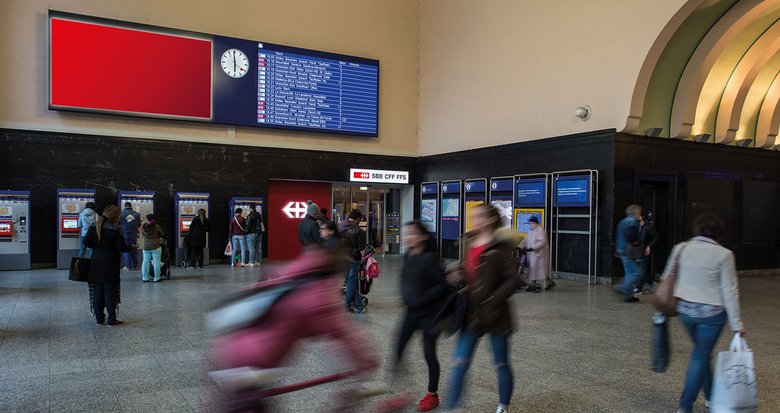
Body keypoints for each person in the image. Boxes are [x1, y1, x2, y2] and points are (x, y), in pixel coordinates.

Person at [210, 246, 379, 409]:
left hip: (233, 345)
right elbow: (343, 334)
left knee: (246, 402)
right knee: (244, 403)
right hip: (255, 359)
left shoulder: (292, 274)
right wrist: (367, 362)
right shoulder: (319, 297)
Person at [444, 204, 520, 413]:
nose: (474, 220)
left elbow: (514, 279)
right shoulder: (469, 242)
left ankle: (503, 406)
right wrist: (456, 274)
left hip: (496, 315)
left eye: (478, 216)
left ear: (489, 220)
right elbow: (465, 268)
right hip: (471, 313)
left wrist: (493, 299)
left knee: (500, 363)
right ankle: (452, 407)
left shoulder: (501, 247)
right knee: (459, 361)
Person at [670, 214, 746, 413]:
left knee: (702, 354)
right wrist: (737, 324)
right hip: (711, 316)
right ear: (719, 234)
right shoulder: (724, 254)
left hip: (685, 312)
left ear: (696, 230)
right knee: (700, 356)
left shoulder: (681, 248)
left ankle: (711, 397)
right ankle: (685, 406)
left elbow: (669, 276)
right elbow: (730, 290)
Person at [393, 220, 449, 412]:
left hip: (429, 314)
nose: (408, 237)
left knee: (429, 353)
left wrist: (421, 298)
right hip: (411, 312)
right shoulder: (408, 255)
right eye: (407, 233)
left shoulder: (429, 258)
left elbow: (441, 285)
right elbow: (405, 279)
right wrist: (406, 295)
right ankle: (401, 390)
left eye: (413, 234)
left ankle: (432, 394)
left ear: (424, 237)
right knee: (398, 347)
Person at [83, 205, 131, 326]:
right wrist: (130, 247)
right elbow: (122, 247)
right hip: (110, 263)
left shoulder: (94, 226)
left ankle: (99, 318)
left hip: (95, 262)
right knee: (110, 290)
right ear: (115, 216)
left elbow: (86, 242)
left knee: (98, 290)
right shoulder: (116, 228)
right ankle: (111, 319)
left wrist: (98, 248)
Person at [615, 204, 644, 303]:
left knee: (629, 273)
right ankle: (621, 287)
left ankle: (629, 296)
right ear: (636, 212)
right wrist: (637, 242)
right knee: (637, 273)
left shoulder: (622, 221)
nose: (640, 214)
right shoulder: (632, 221)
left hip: (621, 250)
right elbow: (631, 236)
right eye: (639, 212)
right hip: (629, 251)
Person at [339, 209, 366, 314]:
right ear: (358, 219)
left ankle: (359, 306)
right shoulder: (359, 231)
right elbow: (362, 247)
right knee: (352, 283)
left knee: (351, 283)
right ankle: (346, 305)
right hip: (354, 259)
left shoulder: (339, 227)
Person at [520, 215, 554, 292]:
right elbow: (525, 240)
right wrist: (519, 246)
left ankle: (533, 284)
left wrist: (533, 247)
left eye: (532, 223)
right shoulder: (531, 231)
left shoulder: (540, 231)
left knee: (537, 270)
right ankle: (549, 283)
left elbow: (542, 242)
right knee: (538, 271)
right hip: (533, 255)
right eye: (530, 223)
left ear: (536, 223)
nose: (531, 224)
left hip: (539, 255)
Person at [634, 212, 660, 294]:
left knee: (641, 269)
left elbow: (656, 237)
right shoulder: (639, 226)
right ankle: (651, 283)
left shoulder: (647, 226)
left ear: (641, 217)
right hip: (639, 250)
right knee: (642, 269)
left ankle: (638, 288)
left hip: (645, 251)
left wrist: (649, 246)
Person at [141, 214, 165, 282]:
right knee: (156, 262)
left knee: (145, 262)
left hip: (146, 247)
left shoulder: (143, 226)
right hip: (156, 247)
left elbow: (143, 234)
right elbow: (162, 234)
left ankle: (145, 278)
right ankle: (157, 278)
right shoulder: (156, 226)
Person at [120, 202, 142, 271]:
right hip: (133, 234)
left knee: (126, 250)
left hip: (124, 234)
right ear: (131, 206)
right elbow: (139, 224)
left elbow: (118, 224)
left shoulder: (121, 214)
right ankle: (135, 265)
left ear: (125, 206)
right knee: (133, 249)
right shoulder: (137, 214)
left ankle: (128, 266)